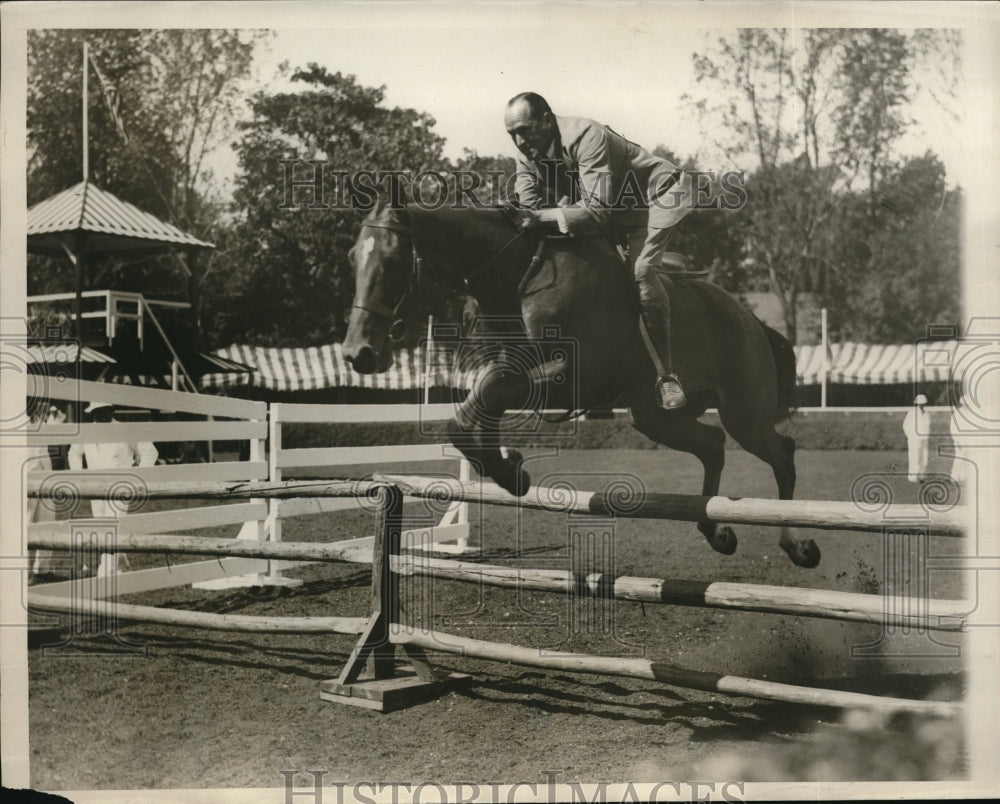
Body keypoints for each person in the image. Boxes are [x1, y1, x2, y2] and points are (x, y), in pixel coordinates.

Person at [504, 92, 694, 409]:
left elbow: (595, 213)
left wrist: (539, 216)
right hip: (616, 209)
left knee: (641, 273)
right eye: (512, 135)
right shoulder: (527, 156)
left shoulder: (586, 134)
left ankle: (668, 378)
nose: (520, 141)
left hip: (661, 195)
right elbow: (528, 210)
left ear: (547, 121)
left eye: (525, 130)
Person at [67, 401, 158, 576]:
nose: (101, 416)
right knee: (103, 527)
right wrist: (79, 477)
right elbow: (74, 452)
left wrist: (138, 478)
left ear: (111, 411)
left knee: (113, 526)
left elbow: (149, 452)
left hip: (120, 488)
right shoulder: (87, 432)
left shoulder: (125, 430)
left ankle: (105, 572)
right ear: (92, 413)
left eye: (104, 411)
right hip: (96, 489)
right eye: (96, 412)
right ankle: (122, 566)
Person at [902, 394, 931, 483]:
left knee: (924, 457)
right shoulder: (912, 413)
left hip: (924, 439)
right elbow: (905, 425)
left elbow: (927, 426)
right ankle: (913, 476)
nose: (922, 405)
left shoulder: (927, 414)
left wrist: (926, 435)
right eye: (920, 403)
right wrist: (911, 436)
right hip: (914, 439)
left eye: (923, 403)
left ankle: (922, 475)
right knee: (914, 457)